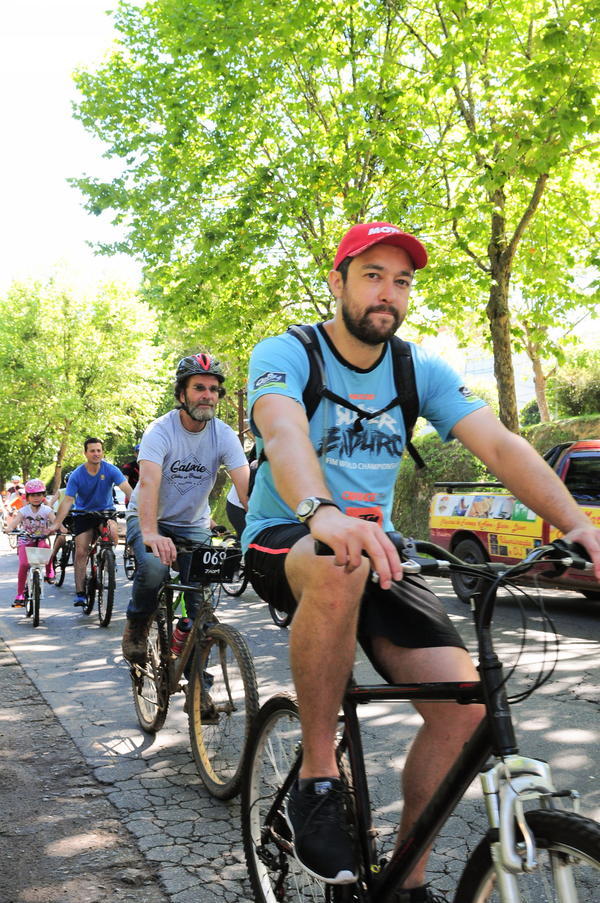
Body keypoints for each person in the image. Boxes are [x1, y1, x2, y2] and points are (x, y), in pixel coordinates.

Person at [242, 221, 600, 903]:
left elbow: (499, 445)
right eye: (372, 274)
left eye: (402, 280)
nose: (389, 292)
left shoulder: (417, 370)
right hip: (287, 533)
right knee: (336, 559)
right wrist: (322, 508)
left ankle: (406, 878)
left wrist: (579, 522)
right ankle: (318, 778)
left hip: (376, 550)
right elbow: (283, 429)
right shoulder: (290, 352)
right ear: (337, 280)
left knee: (465, 710)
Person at [121, 353, 250, 665]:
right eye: (198, 388)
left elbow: (246, 489)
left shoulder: (225, 435)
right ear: (181, 394)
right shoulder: (160, 431)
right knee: (154, 568)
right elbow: (149, 483)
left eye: (213, 389)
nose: (207, 395)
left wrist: (265, 531)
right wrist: (151, 533)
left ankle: (199, 688)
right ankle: (137, 625)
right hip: (150, 517)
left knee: (201, 607)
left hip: (193, 524)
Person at [51, 439, 133, 607]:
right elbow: (67, 500)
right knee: (81, 551)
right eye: (92, 451)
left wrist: (138, 507)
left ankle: (107, 562)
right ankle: (80, 593)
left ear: (102, 452)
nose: (96, 453)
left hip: (105, 512)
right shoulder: (77, 474)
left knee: (112, 532)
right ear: (85, 453)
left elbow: (127, 489)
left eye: (99, 450)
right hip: (83, 514)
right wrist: (56, 523)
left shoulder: (111, 469)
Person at [7, 479, 55, 606]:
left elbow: (55, 521)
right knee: (23, 565)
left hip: (40, 539)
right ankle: (20, 594)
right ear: (27, 497)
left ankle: (49, 571)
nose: (36, 498)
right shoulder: (24, 511)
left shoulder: (46, 510)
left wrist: (59, 528)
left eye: (39, 495)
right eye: (33, 495)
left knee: (46, 548)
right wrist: (9, 528)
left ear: (43, 496)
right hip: (25, 540)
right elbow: (15, 522)